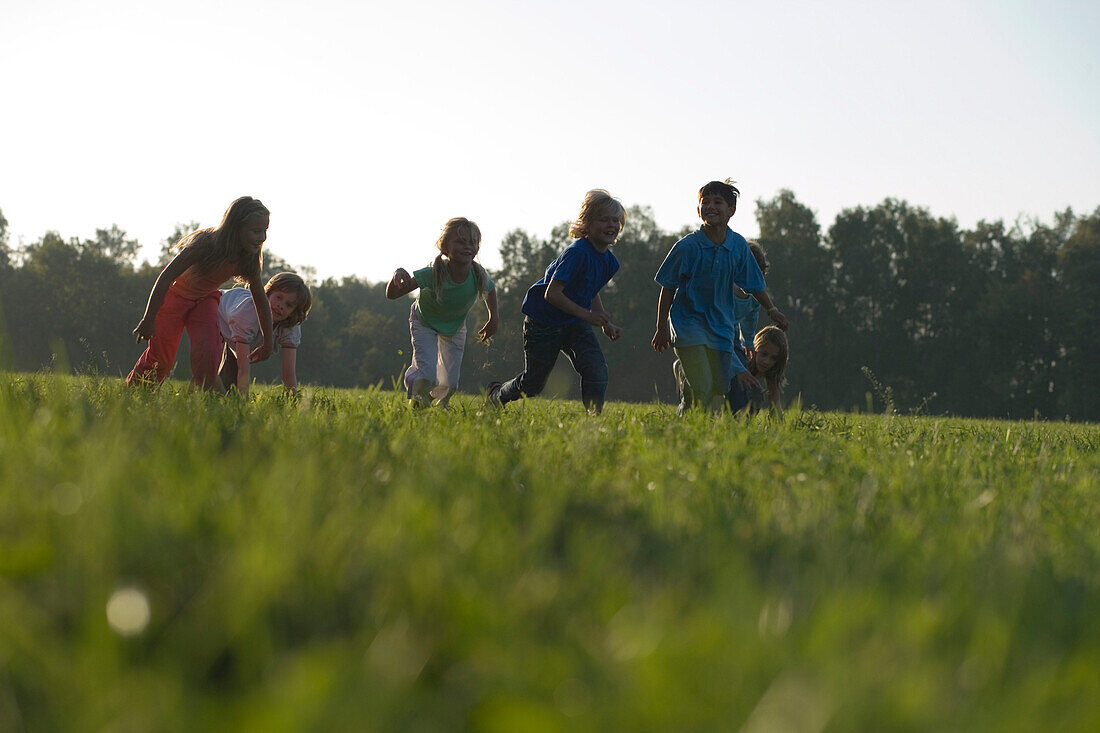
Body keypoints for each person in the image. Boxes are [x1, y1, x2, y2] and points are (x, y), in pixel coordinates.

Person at [652, 180, 788, 414]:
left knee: (720, 386)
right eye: (705, 202)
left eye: (718, 202)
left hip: (721, 330)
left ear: (731, 210)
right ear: (698, 209)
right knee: (702, 386)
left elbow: (755, 283)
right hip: (689, 325)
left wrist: (771, 309)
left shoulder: (737, 246)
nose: (710, 207)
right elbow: (668, 286)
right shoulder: (687, 247)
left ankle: (697, 415)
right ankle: (687, 425)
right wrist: (662, 327)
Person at [486, 189, 624, 414]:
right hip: (543, 322)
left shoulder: (610, 262)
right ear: (587, 224)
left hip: (573, 322)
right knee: (533, 383)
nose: (611, 225)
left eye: (616, 220)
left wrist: (605, 322)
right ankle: (496, 395)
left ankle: (594, 420)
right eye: (604, 219)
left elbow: (590, 289)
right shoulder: (577, 253)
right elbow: (552, 293)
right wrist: (588, 316)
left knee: (596, 369)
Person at [127, 196, 274, 388]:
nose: (262, 237)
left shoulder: (249, 259)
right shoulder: (206, 244)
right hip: (175, 297)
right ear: (235, 227)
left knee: (208, 360)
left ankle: (210, 406)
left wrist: (268, 343)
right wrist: (148, 319)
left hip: (205, 301)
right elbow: (166, 277)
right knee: (161, 361)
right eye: (256, 231)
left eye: (265, 231)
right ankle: (133, 396)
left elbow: (261, 301)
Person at [386, 217, 498, 408]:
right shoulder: (432, 273)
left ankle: (431, 401)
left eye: (472, 242)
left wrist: (493, 318)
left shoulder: (478, 275)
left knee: (450, 385)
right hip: (424, 322)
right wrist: (396, 276)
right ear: (445, 247)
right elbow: (392, 295)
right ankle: (418, 399)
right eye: (460, 242)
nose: (467, 247)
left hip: (454, 327)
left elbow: (491, 290)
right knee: (427, 373)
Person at [673, 239, 771, 407]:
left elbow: (750, 317)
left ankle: (737, 419)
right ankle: (689, 391)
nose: (747, 283)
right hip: (708, 334)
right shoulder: (720, 292)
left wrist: (748, 343)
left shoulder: (755, 296)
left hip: (731, 337)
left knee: (741, 384)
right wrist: (738, 369)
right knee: (706, 381)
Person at [217, 272, 312, 396]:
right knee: (208, 367)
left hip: (237, 333)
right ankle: (197, 395)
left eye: (288, 305)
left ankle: (226, 396)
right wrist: (243, 400)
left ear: (294, 312)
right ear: (268, 293)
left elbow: (288, 372)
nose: (281, 306)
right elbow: (244, 369)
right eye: (279, 297)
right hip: (216, 310)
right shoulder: (247, 313)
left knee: (230, 384)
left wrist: (293, 398)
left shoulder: (290, 325)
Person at [727, 325, 788, 417]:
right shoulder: (742, 359)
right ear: (755, 348)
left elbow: (775, 407)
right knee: (755, 391)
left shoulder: (772, 374)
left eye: (773, 358)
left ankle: (743, 423)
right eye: (764, 354)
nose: (766, 361)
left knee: (756, 394)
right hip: (726, 392)